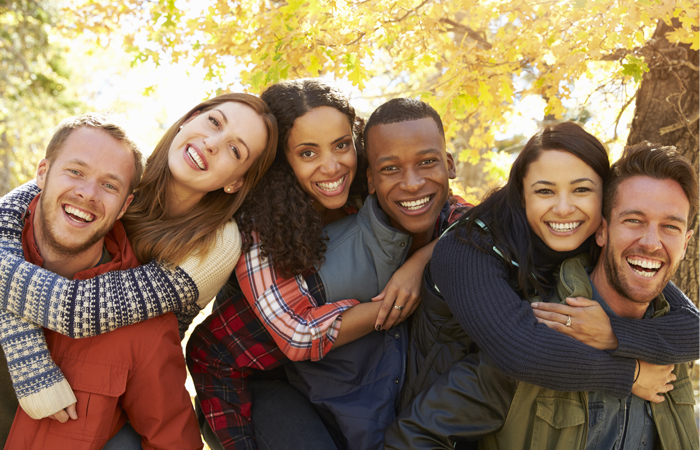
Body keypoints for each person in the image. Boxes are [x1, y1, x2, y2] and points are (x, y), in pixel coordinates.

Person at [384, 124, 699, 449]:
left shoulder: (591, 241)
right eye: (545, 190)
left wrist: (612, 332)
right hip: (430, 400)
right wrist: (629, 375)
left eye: (581, 190)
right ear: (521, 193)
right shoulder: (470, 251)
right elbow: (520, 352)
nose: (564, 207)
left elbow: (691, 324)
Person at [187, 88, 466, 449]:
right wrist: (395, 303)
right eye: (307, 153)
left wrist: (419, 262)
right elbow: (297, 336)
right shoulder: (257, 227)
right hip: (246, 376)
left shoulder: (369, 190)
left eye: (341, 145)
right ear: (283, 162)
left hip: (323, 376)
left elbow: (462, 217)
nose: (332, 166)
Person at [0, 93, 277, 443]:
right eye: (214, 122)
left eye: (236, 150)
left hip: (126, 387)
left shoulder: (217, 243)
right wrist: (28, 352)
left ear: (236, 181)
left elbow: (75, 308)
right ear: (188, 119)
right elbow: (19, 206)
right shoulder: (118, 169)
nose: (211, 144)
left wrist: (30, 365)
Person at [477, 142, 699, 449]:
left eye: (670, 227)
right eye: (634, 220)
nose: (651, 242)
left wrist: (614, 334)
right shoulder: (537, 322)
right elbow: (422, 431)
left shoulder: (672, 347)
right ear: (602, 230)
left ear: (686, 243)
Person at [1, 112, 202, 449]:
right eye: (76, 171)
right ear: (42, 172)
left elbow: (174, 442)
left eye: (109, 185)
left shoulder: (143, 325)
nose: (88, 193)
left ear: (124, 207)